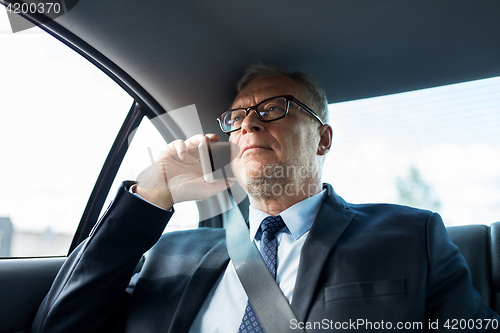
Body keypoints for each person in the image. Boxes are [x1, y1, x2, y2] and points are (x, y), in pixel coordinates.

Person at [32, 65, 499, 333]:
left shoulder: (411, 236)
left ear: (323, 139)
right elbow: (61, 326)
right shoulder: (170, 253)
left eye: (275, 109)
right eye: (237, 118)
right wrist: (151, 196)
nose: (251, 124)